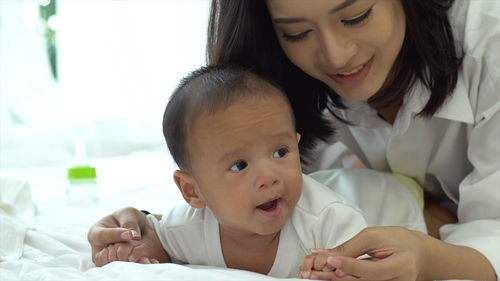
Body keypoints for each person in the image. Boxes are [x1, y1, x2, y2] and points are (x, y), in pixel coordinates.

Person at [89, 0, 500, 280]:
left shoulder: (490, 44)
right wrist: (145, 230)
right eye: (297, 33)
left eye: (355, 16)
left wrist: (427, 256)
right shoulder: (283, 83)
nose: (337, 55)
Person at [92, 65, 370, 277]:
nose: (269, 176)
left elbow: (372, 265)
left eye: (280, 152)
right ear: (193, 191)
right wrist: (134, 250)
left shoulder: (329, 221)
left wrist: (343, 270)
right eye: (240, 165)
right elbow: (159, 241)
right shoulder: (191, 226)